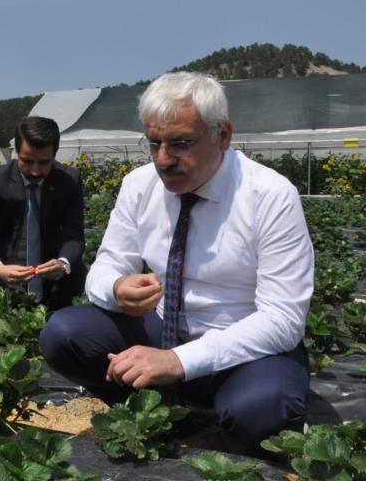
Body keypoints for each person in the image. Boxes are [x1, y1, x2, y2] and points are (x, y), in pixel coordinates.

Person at [39, 72, 314, 449]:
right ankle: (151, 400)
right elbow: (106, 264)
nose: (164, 160)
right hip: (162, 328)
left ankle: (197, 390)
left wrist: (179, 362)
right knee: (62, 335)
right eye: (154, 144)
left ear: (223, 135)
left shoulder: (269, 196)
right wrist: (116, 288)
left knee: (263, 411)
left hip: (242, 346)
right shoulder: (139, 185)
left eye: (181, 143)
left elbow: (282, 320)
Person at [0, 116, 85, 308]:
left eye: (43, 163)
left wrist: (63, 264)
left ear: (55, 155)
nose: (34, 171)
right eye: (27, 161)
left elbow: (74, 236)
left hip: (52, 281)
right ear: (16, 153)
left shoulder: (68, 180)